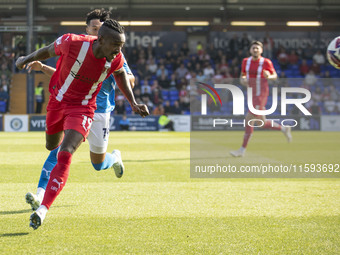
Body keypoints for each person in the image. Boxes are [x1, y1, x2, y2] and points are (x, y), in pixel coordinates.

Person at [16, 19, 149, 230]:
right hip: (59, 102)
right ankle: (43, 193)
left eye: (121, 46)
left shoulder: (116, 57)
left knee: (69, 154)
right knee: (53, 146)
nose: (119, 50)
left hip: (90, 109)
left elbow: (123, 74)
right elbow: (49, 51)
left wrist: (133, 102)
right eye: (116, 45)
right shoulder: (72, 43)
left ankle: (43, 207)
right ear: (97, 36)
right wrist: (27, 59)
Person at [230, 41, 291, 157]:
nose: (255, 50)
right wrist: (242, 80)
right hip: (251, 94)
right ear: (250, 50)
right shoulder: (245, 62)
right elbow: (242, 75)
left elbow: (275, 76)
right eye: (253, 48)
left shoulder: (266, 62)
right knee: (261, 123)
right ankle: (284, 129)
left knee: (249, 119)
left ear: (261, 51)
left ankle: (242, 150)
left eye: (257, 48)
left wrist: (269, 76)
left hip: (261, 94)